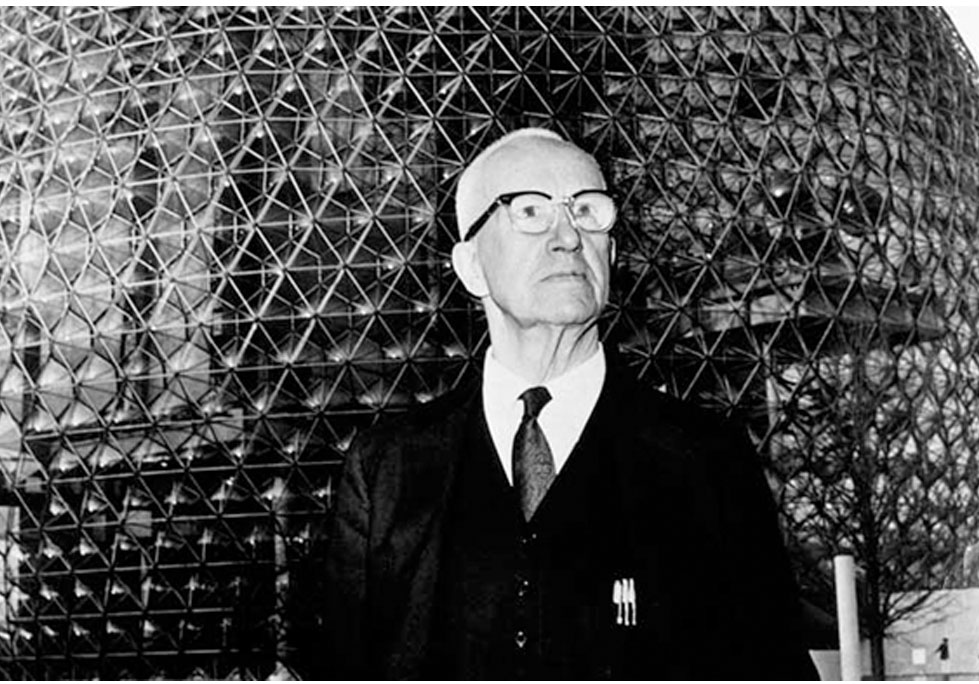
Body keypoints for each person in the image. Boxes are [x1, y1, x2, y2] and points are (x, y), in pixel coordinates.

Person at [316, 128, 817, 679]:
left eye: (587, 211)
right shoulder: (386, 469)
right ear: (470, 265)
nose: (568, 237)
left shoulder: (707, 460)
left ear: (612, 253)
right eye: (530, 211)